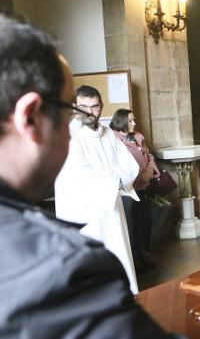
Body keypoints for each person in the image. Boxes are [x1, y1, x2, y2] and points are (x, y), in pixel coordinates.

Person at [0, 14, 179, 338]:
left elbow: (128, 164)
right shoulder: (63, 267)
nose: (75, 124)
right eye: (69, 109)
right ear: (30, 118)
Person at [54, 85, 140, 294]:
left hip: (112, 209)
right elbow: (80, 174)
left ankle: (126, 297)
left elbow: (131, 166)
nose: (89, 112)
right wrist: (114, 175)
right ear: (75, 106)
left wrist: (112, 176)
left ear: (101, 107)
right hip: (83, 211)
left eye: (94, 107)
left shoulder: (109, 135)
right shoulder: (67, 136)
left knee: (118, 254)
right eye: (83, 107)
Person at [110, 108, 160, 270]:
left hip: (144, 187)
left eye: (134, 119)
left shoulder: (138, 137)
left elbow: (149, 156)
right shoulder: (113, 140)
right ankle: (134, 261)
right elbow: (119, 167)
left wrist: (150, 171)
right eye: (130, 120)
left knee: (144, 223)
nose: (134, 123)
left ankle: (145, 253)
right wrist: (140, 176)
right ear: (121, 121)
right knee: (130, 226)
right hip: (128, 190)